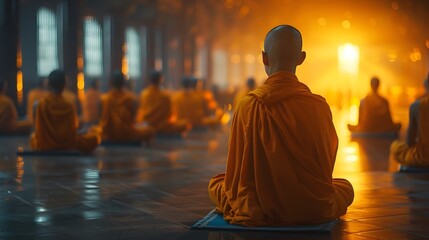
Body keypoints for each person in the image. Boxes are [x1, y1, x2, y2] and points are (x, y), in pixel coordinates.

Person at [208, 25, 354, 226]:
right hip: (311, 206)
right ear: (301, 58)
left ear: (264, 58)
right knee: (344, 187)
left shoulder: (246, 105)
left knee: (217, 183)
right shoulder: (318, 106)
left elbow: (236, 172)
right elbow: (326, 165)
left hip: (256, 205)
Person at [30, 70, 100, 152]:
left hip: (45, 145)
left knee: (32, 137)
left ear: (48, 84)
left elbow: (37, 129)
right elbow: (73, 131)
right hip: (67, 145)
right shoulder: (69, 106)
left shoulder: (40, 105)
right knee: (95, 138)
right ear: (64, 85)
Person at [99, 71, 155, 142]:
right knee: (149, 130)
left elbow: (101, 119)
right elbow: (134, 118)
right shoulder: (131, 98)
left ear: (111, 82)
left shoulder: (104, 99)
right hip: (127, 133)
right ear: (124, 83)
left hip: (108, 134)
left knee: (93, 130)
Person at [391, 77, 429, 166]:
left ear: (426, 84)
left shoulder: (417, 106)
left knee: (395, 146)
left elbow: (410, 142)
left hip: (423, 157)